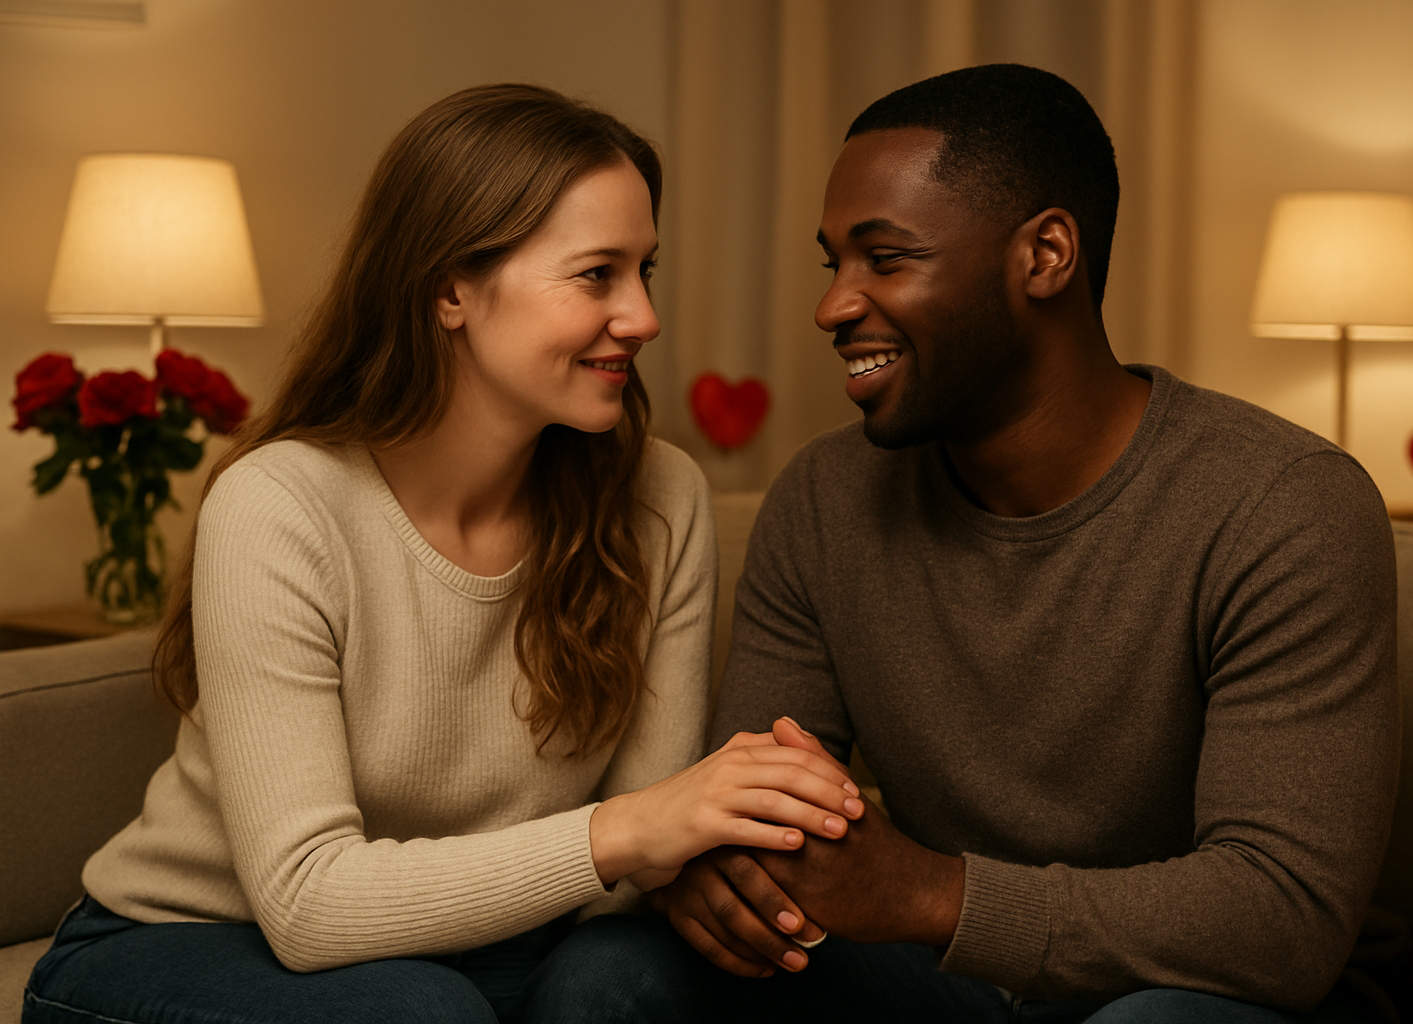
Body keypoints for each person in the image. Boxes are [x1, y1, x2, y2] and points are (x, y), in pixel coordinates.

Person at [518, 64, 1399, 1023]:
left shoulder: (1281, 506)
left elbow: (1280, 917)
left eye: (886, 259)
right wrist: (721, 875)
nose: (834, 307)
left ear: (1047, 254)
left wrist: (929, 892)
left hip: (1187, 995)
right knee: (617, 969)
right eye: (834, 264)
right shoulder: (823, 499)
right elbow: (763, 820)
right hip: (944, 984)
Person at [21, 84, 864, 1024]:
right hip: (194, 940)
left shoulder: (659, 497)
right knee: (422, 1013)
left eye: (646, 271)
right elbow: (306, 905)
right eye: (597, 275)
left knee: (617, 987)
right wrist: (635, 827)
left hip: (498, 944)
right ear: (450, 289)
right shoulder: (280, 505)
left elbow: (634, 876)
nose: (643, 317)